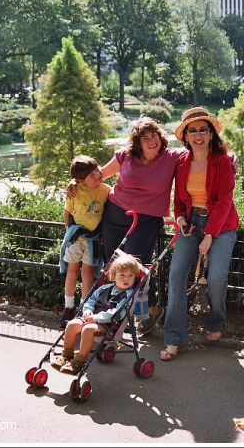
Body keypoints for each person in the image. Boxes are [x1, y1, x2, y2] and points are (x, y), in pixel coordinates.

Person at [67, 117, 184, 335]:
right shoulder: (126, 156)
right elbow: (97, 175)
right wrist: (76, 182)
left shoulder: (172, 157)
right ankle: (108, 317)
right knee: (113, 268)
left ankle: (147, 311)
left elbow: (199, 159)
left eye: (154, 136)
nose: (151, 142)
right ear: (137, 143)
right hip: (115, 214)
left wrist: (228, 159)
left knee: (137, 268)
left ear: (161, 137)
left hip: (146, 219)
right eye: (145, 138)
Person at [160, 107, 239, 361]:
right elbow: (179, 198)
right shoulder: (181, 162)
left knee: (216, 278)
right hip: (191, 223)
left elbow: (225, 200)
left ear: (210, 132)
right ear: (185, 135)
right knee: (176, 276)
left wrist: (210, 235)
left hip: (222, 224)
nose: (198, 135)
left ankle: (215, 320)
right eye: (192, 131)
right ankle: (174, 339)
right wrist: (180, 218)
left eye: (202, 130)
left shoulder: (223, 160)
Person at [52, 253, 142, 375]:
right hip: (90, 317)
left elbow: (115, 313)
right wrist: (88, 310)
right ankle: (67, 355)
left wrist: (94, 318)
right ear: (113, 276)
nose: (126, 278)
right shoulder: (104, 288)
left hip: (106, 325)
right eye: (122, 275)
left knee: (88, 329)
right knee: (72, 324)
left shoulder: (127, 296)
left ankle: (79, 362)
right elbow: (91, 301)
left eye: (130, 275)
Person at [60, 155, 111, 323]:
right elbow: (67, 215)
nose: (97, 175)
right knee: (72, 271)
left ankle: (84, 308)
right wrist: (70, 234)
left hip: (93, 239)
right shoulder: (75, 191)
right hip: (76, 237)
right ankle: (68, 306)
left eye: (97, 169)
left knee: (88, 272)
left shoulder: (105, 190)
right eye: (91, 175)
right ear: (81, 181)